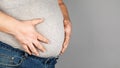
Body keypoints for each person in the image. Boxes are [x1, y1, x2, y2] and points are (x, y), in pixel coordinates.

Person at [0, 0, 72, 68]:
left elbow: (59, 2)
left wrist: (66, 18)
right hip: (13, 57)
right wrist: (16, 28)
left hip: (48, 62)